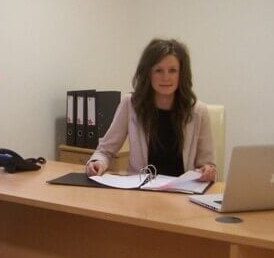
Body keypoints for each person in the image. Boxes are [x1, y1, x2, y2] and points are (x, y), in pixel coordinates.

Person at [85, 38, 216, 182]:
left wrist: (207, 171)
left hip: (183, 192)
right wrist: (97, 162)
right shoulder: (131, 104)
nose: (166, 77)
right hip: (141, 191)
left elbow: (207, 165)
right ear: (148, 73)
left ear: (181, 74)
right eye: (158, 70)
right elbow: (105, 151)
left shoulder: (198, 111)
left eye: (172, 70)